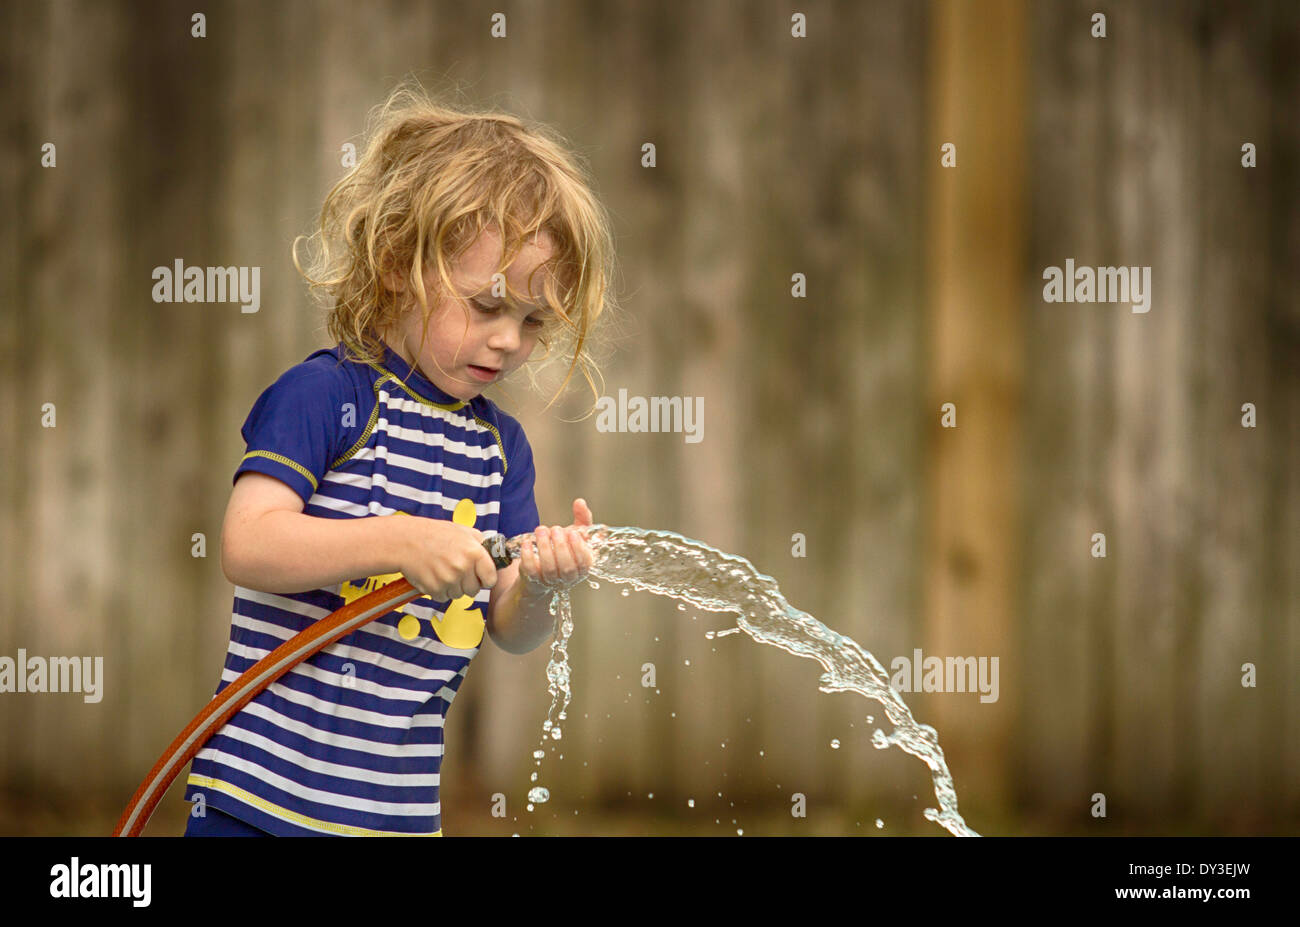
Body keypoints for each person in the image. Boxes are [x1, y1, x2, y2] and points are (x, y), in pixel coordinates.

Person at [182, 82, 617, 836]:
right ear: (395, 264)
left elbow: (508, 624)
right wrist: (400, 540)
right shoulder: (325, 396)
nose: (509, 339)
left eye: (532, 320)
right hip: (255, 800)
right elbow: (248, 545)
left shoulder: (499, 450)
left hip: (392, 817)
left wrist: (546, 582)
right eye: (487, 306)